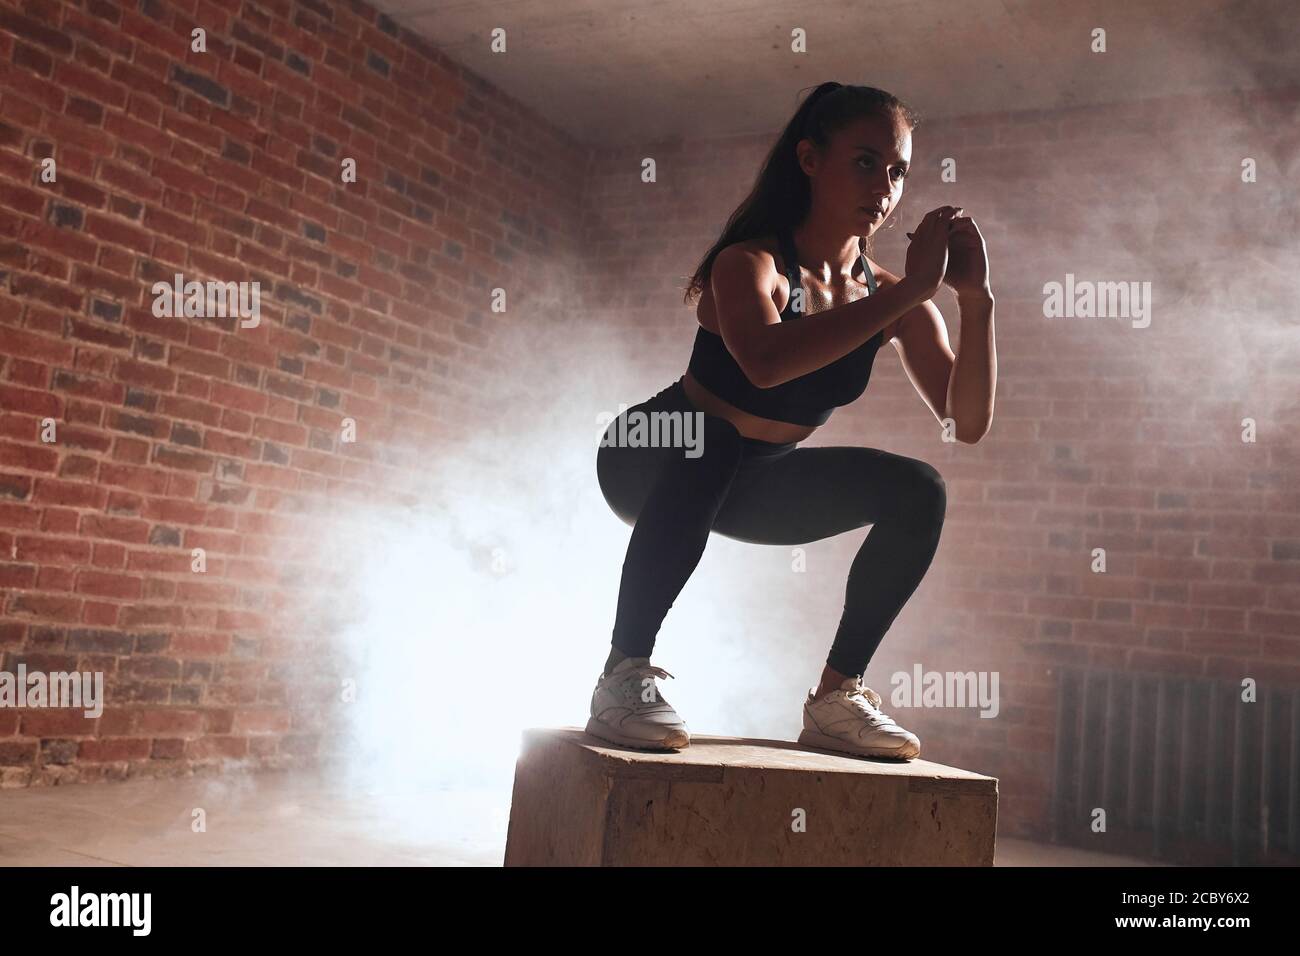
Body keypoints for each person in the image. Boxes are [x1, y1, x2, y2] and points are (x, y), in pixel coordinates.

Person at [589, 82, 996, 760]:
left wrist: (977, 302)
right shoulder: (750, 263)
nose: (885, 187)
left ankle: (837, 698)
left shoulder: (897, 297)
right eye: (866, 162)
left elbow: (968, 419)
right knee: (712, 441)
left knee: (919, 488)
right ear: (809, 158)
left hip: (753, 480)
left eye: (898, 171)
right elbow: (766, 365)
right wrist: (916, 290)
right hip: (650, 452)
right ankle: (621, 674)